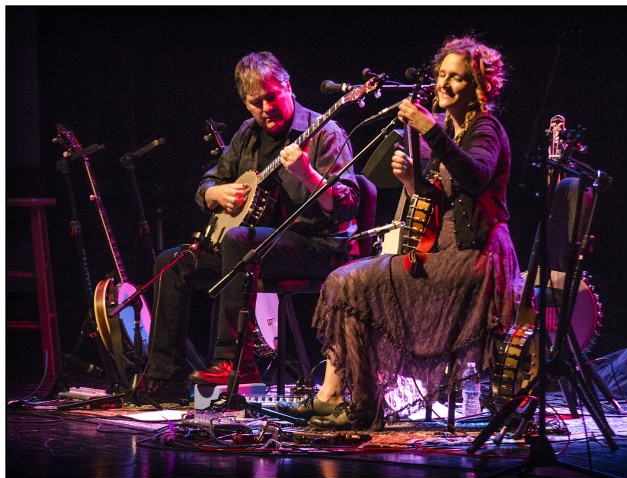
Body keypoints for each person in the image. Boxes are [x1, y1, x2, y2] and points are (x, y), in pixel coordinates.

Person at [277, 36, 524, 430]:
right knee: (348, 281)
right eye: (441, 74)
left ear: (479, 88)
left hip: (474, 259)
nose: (443, 84)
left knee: (353, 281)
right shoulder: (454, 129)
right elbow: (446, 200)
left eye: (456, 78)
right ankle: (334, 398)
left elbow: (475, 178)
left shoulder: (485, 128)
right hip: (443, 253)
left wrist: (429, 129)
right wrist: (416, 184)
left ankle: (355, 403)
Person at [145, 51, 360, 403]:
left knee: (239, 238)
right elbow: (208, 183)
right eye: (255, 103)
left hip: (317, 245)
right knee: (172, 262)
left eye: (272, 97)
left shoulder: (325, 132)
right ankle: (162, 378)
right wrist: (217, 193)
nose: (265, 109)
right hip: (253, 247)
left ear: (288, 87)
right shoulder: (247, 134)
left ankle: (235, 362)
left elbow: (348, 204)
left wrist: (307, 173)